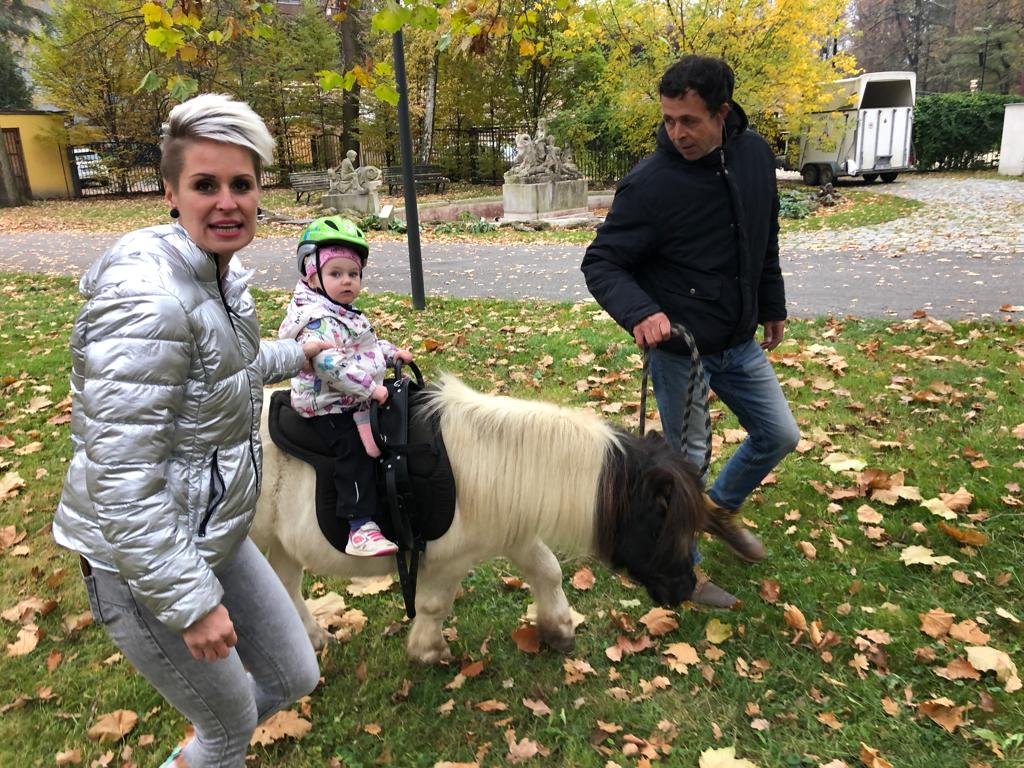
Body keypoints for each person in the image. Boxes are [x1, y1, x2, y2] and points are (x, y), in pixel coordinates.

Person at [53, 93, 324, 768]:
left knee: (294, 676)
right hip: (141, 562)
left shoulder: (217, 276)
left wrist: (301, 355)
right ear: (171, 193)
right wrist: (193, 604)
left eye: (242, 184)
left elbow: (224, 367)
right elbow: (122, 481)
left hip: (212, 528)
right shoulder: (148, 300)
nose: (228, 202)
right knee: (228, 729)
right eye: (206, 185)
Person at [581, 55, 800, 608]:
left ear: (722, 112)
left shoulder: (755, 157)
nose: (677, 133)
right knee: (687, 463)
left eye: (690, 121)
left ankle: (715, 511)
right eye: (668, 120)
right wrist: (640, 312)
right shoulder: (650, 184)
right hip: (680, 350)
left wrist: (771, 302)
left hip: (738, 341)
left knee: (779, 435)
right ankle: (687, 571)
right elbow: (602, 262)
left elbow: (763, 238)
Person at [278, 215, 413, 557]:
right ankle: (360, 526)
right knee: (351, 450)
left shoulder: (343, 312)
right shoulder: (317, 320)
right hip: (326, 404)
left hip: (349, 398)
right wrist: (370, 388)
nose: (347, 280)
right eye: (336, 273)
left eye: (353, 273)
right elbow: (330, 365)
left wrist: (391, 353)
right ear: (313, 275)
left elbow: (363, 347)